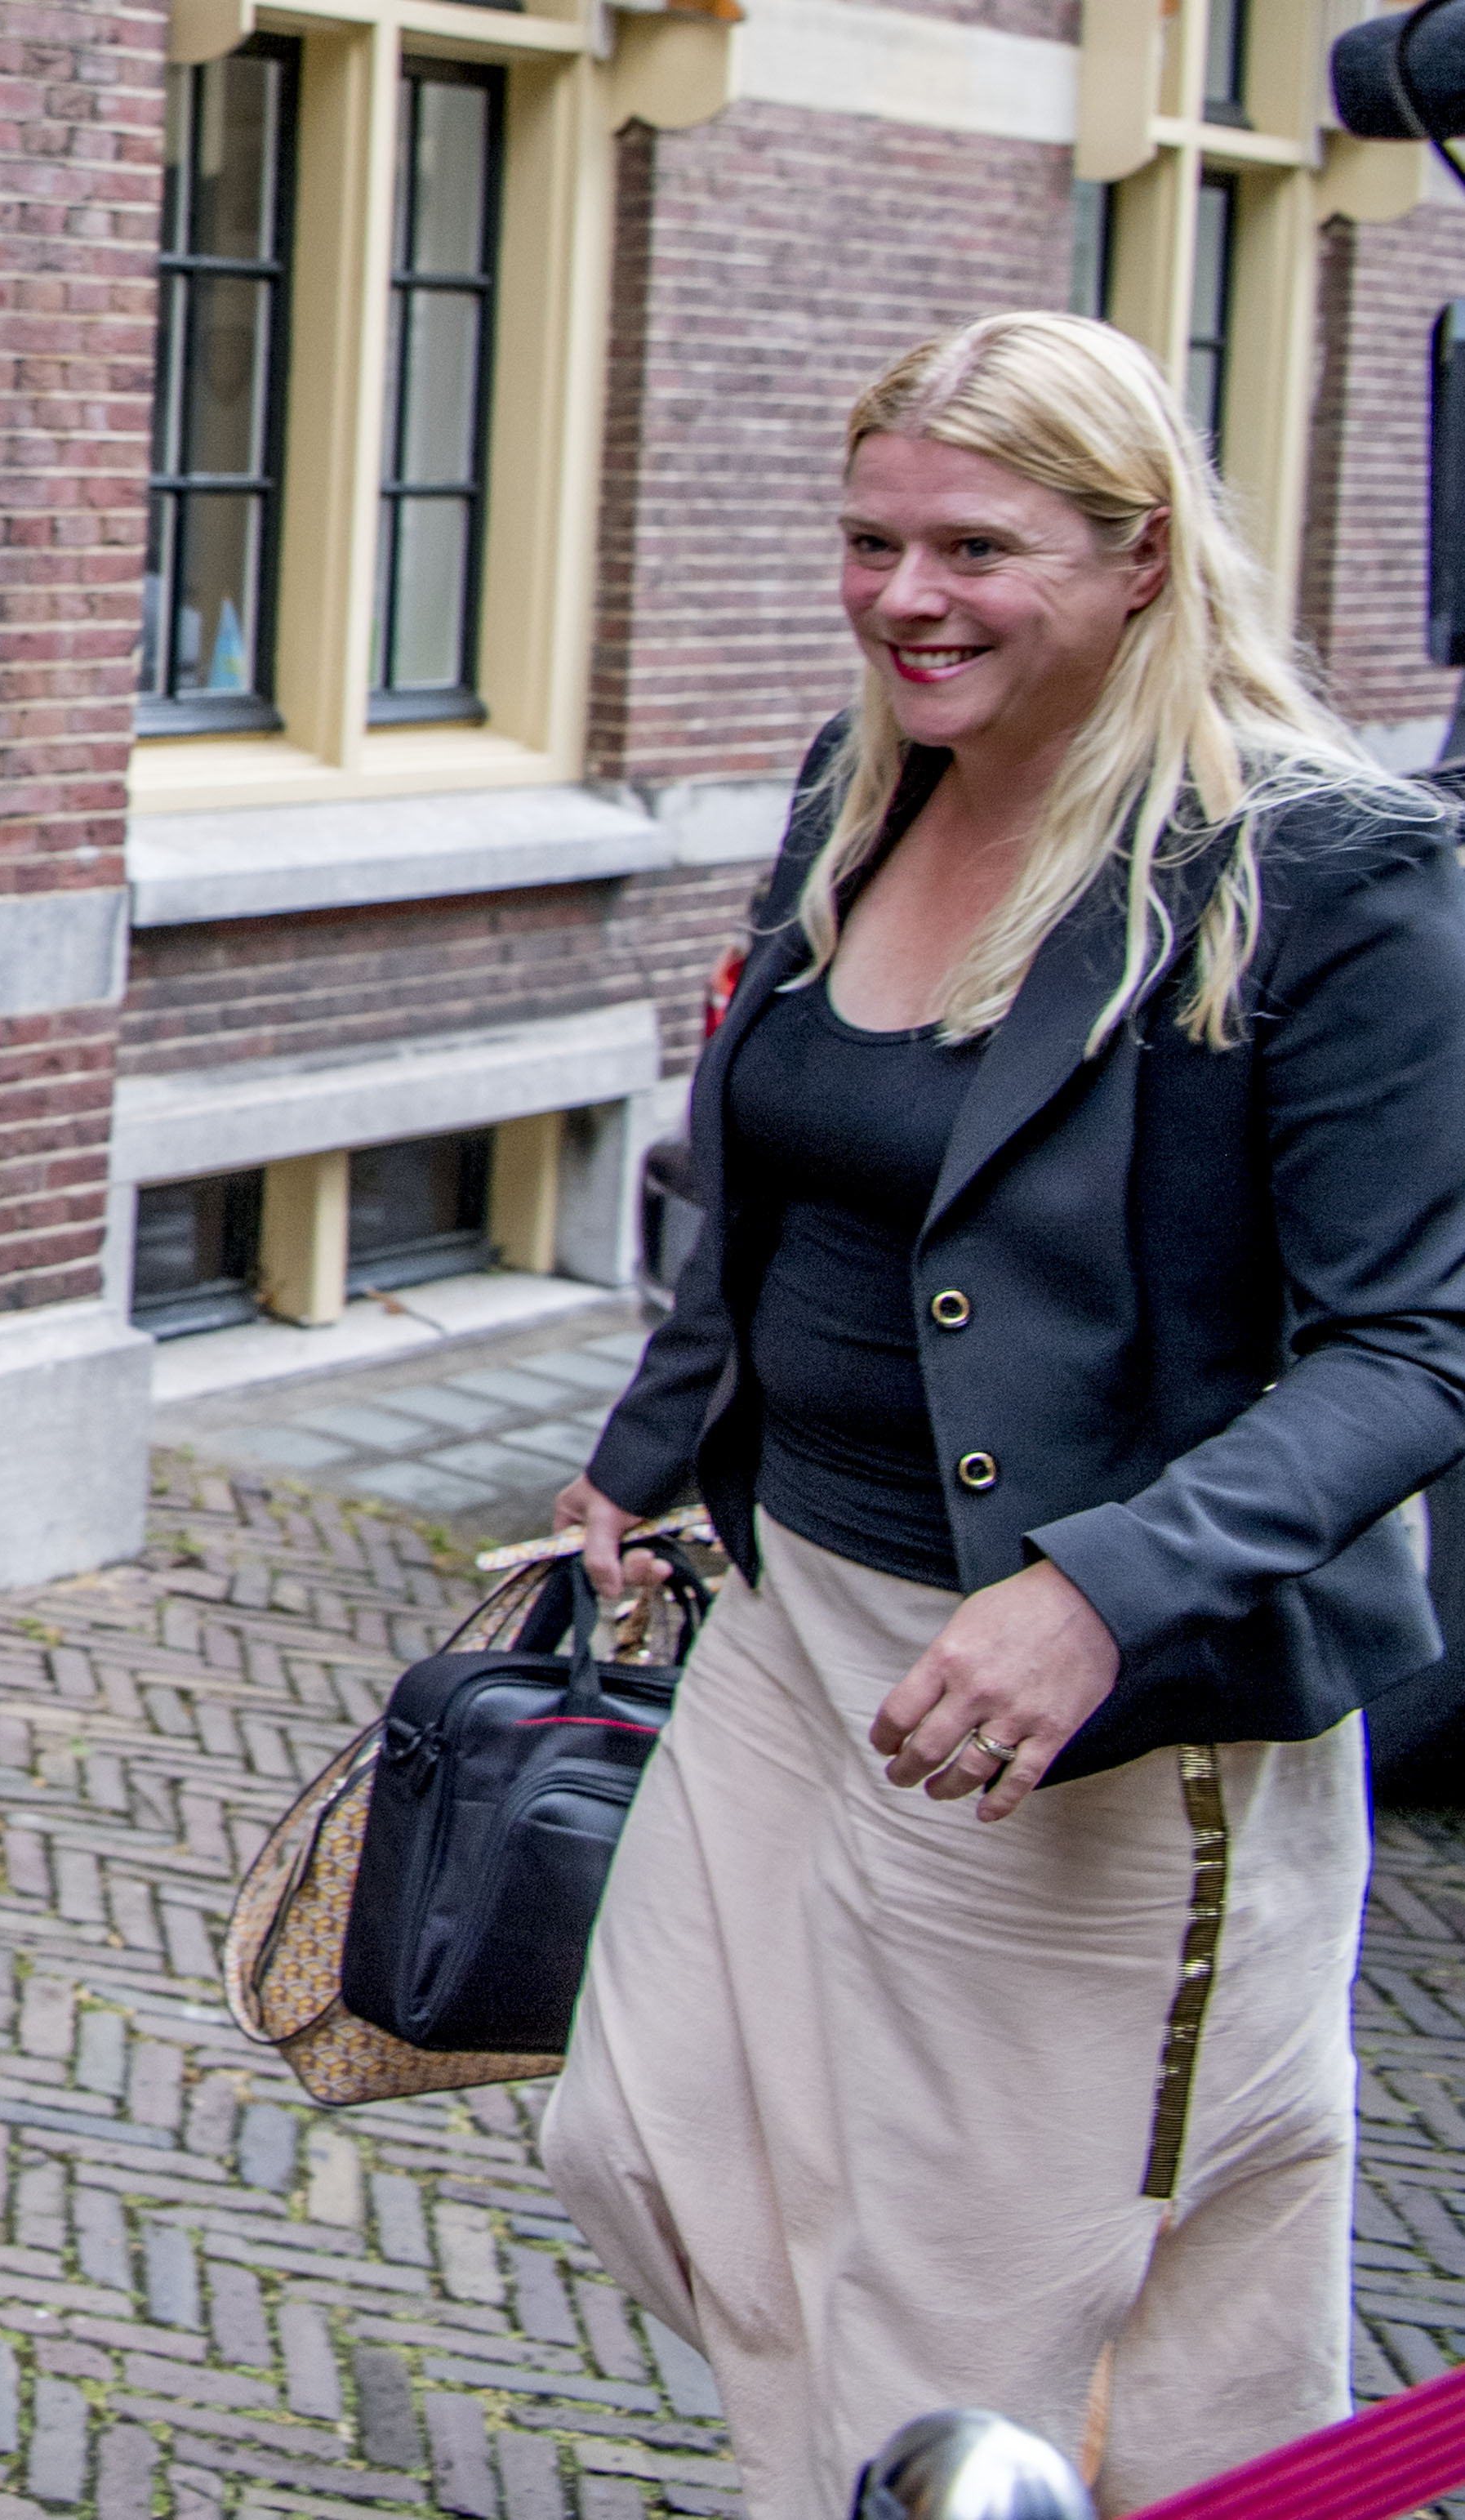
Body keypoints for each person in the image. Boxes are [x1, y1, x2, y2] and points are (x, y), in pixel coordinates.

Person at [544, 310, 1465, 2518]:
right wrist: (650, 1447)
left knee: (976, 2298)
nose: (901, 598)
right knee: (648, 2140)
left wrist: (1095, 1598)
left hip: (1085, 1711)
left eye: (976, 544)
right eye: (869, 540)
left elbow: (1411, 1350)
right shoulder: (861, 782)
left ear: (1140, 556)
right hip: (797, 1619)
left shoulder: (1321, 874)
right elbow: (756, 1174)